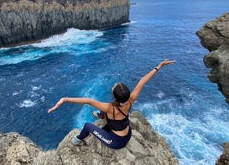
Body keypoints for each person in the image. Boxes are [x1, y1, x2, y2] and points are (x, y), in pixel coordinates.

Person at [47, 59, 175, 149]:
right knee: (105, 110)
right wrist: (159, 66)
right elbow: (142, 81)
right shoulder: (131, 100)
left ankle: (77, 140)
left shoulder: (109, 108)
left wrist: (65, 99)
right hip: (127, 133)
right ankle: (101, 116)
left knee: (87, 125)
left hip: (116, 142)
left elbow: (87, 100)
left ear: (115, 96)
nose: (114, 85)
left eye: (114, 87)